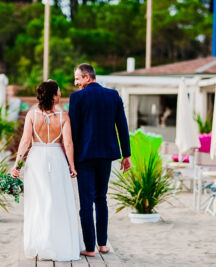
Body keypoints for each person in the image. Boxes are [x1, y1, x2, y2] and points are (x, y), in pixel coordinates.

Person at [11, 80, 82, 261]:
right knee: (57, 201)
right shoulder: (64, 117)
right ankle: (56, 243)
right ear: (53, 96)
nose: (59, 95)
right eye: (58, 92)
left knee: (37, 202)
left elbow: (25, 141)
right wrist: (71, 165)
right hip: (56, 159)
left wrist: (17, 165)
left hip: (36, 160)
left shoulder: (32, 115)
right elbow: (67, 143)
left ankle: (39, 244)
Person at [69, 63, 132, 257]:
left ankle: (89, 248)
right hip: (106, 156)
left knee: (86, 202)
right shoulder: (113, 96)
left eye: (78, 78)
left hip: (84, 156)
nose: (76, 82)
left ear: (87, 77)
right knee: (101, 198)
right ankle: (103, 244)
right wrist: (126, 154)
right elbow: (122, 126)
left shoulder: (77, 97)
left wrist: (69, 159)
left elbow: (73, 130)